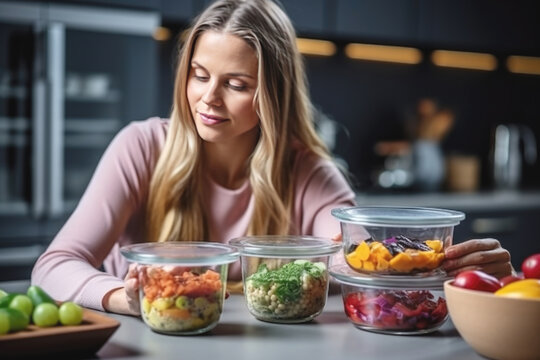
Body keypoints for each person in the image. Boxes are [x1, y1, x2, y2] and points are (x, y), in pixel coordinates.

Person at [31, 0, 513, 316]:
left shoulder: (308, 172)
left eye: (236, 85)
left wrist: (456, 268)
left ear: (273, 95)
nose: (209, 98)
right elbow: (55, 264)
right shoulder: (141, 146)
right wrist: (125, 297)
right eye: (199, 75)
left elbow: (363, 264)